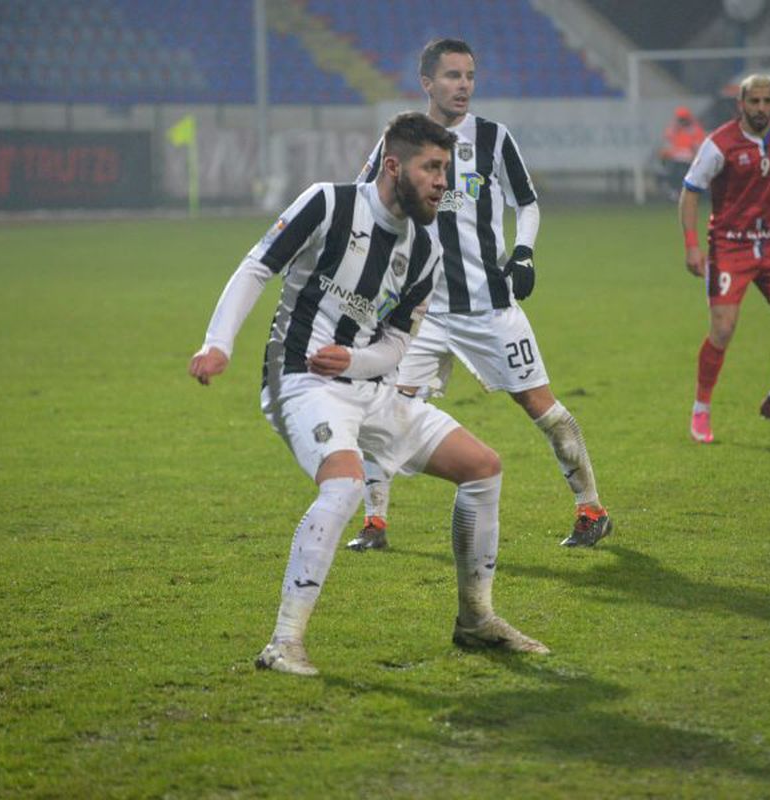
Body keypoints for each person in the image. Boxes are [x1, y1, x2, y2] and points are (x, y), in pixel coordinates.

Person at [189, 112, 549, 677]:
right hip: (301, 381)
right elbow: (257, 268)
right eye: (431, 168)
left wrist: (354, 359)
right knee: (346, 484)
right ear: (392, 166)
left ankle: (476, 620)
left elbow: (396, 346)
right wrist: (218, 345)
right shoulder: (328, 204)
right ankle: (284, 642)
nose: (442, 182)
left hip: (371, 389)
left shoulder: (425, 251)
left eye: (446, 170)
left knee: (482, 467)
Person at [347, 38, 611, 552]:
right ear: (427, 83)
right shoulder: (398, 141)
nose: (463, 85)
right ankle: (374, 524)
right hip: (417, 314)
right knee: (381, 412)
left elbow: (527, 203)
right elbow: (364, 202)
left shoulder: (492, 137)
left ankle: (592, 510)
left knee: (545, 410)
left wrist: (525, 252)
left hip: (488, 305)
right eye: (451, 76)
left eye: (469, 75)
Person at [679, 74, 770, 444]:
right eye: (753, 102)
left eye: (767, 102)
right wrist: (692, 245)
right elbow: (690, 192)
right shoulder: (719, 144)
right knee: (723, 330)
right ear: (740, 104)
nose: (760, 109)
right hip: (730, 247)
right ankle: (701, 410)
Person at [659, 105, 706, 200]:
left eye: (683, 119)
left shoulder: (695, 129)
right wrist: (664, 156)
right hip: (674, 159)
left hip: (689, 160)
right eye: (680, 119)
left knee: (688, 179)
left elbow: (699, 146)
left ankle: (689, 195)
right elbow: (667, 144)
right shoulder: (673, 129)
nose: (682, 121)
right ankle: (675, 194)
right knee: (671, 176)